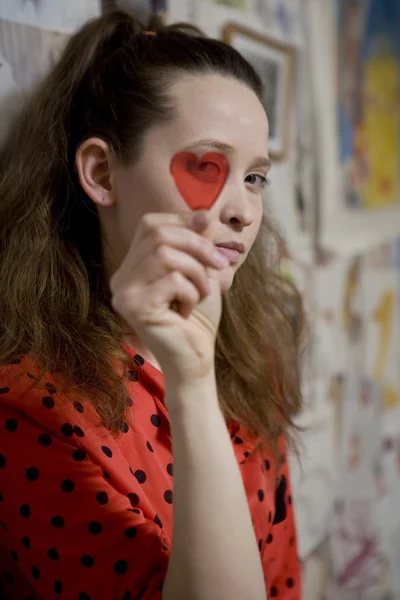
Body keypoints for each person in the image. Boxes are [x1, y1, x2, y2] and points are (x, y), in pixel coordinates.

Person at [0, 9, 304, 600]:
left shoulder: (250, 346)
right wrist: (191, 384)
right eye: (206, 166)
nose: (242, 210)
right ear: (102, 173)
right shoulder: (30, 410)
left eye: (255, 178)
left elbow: (282, 572)